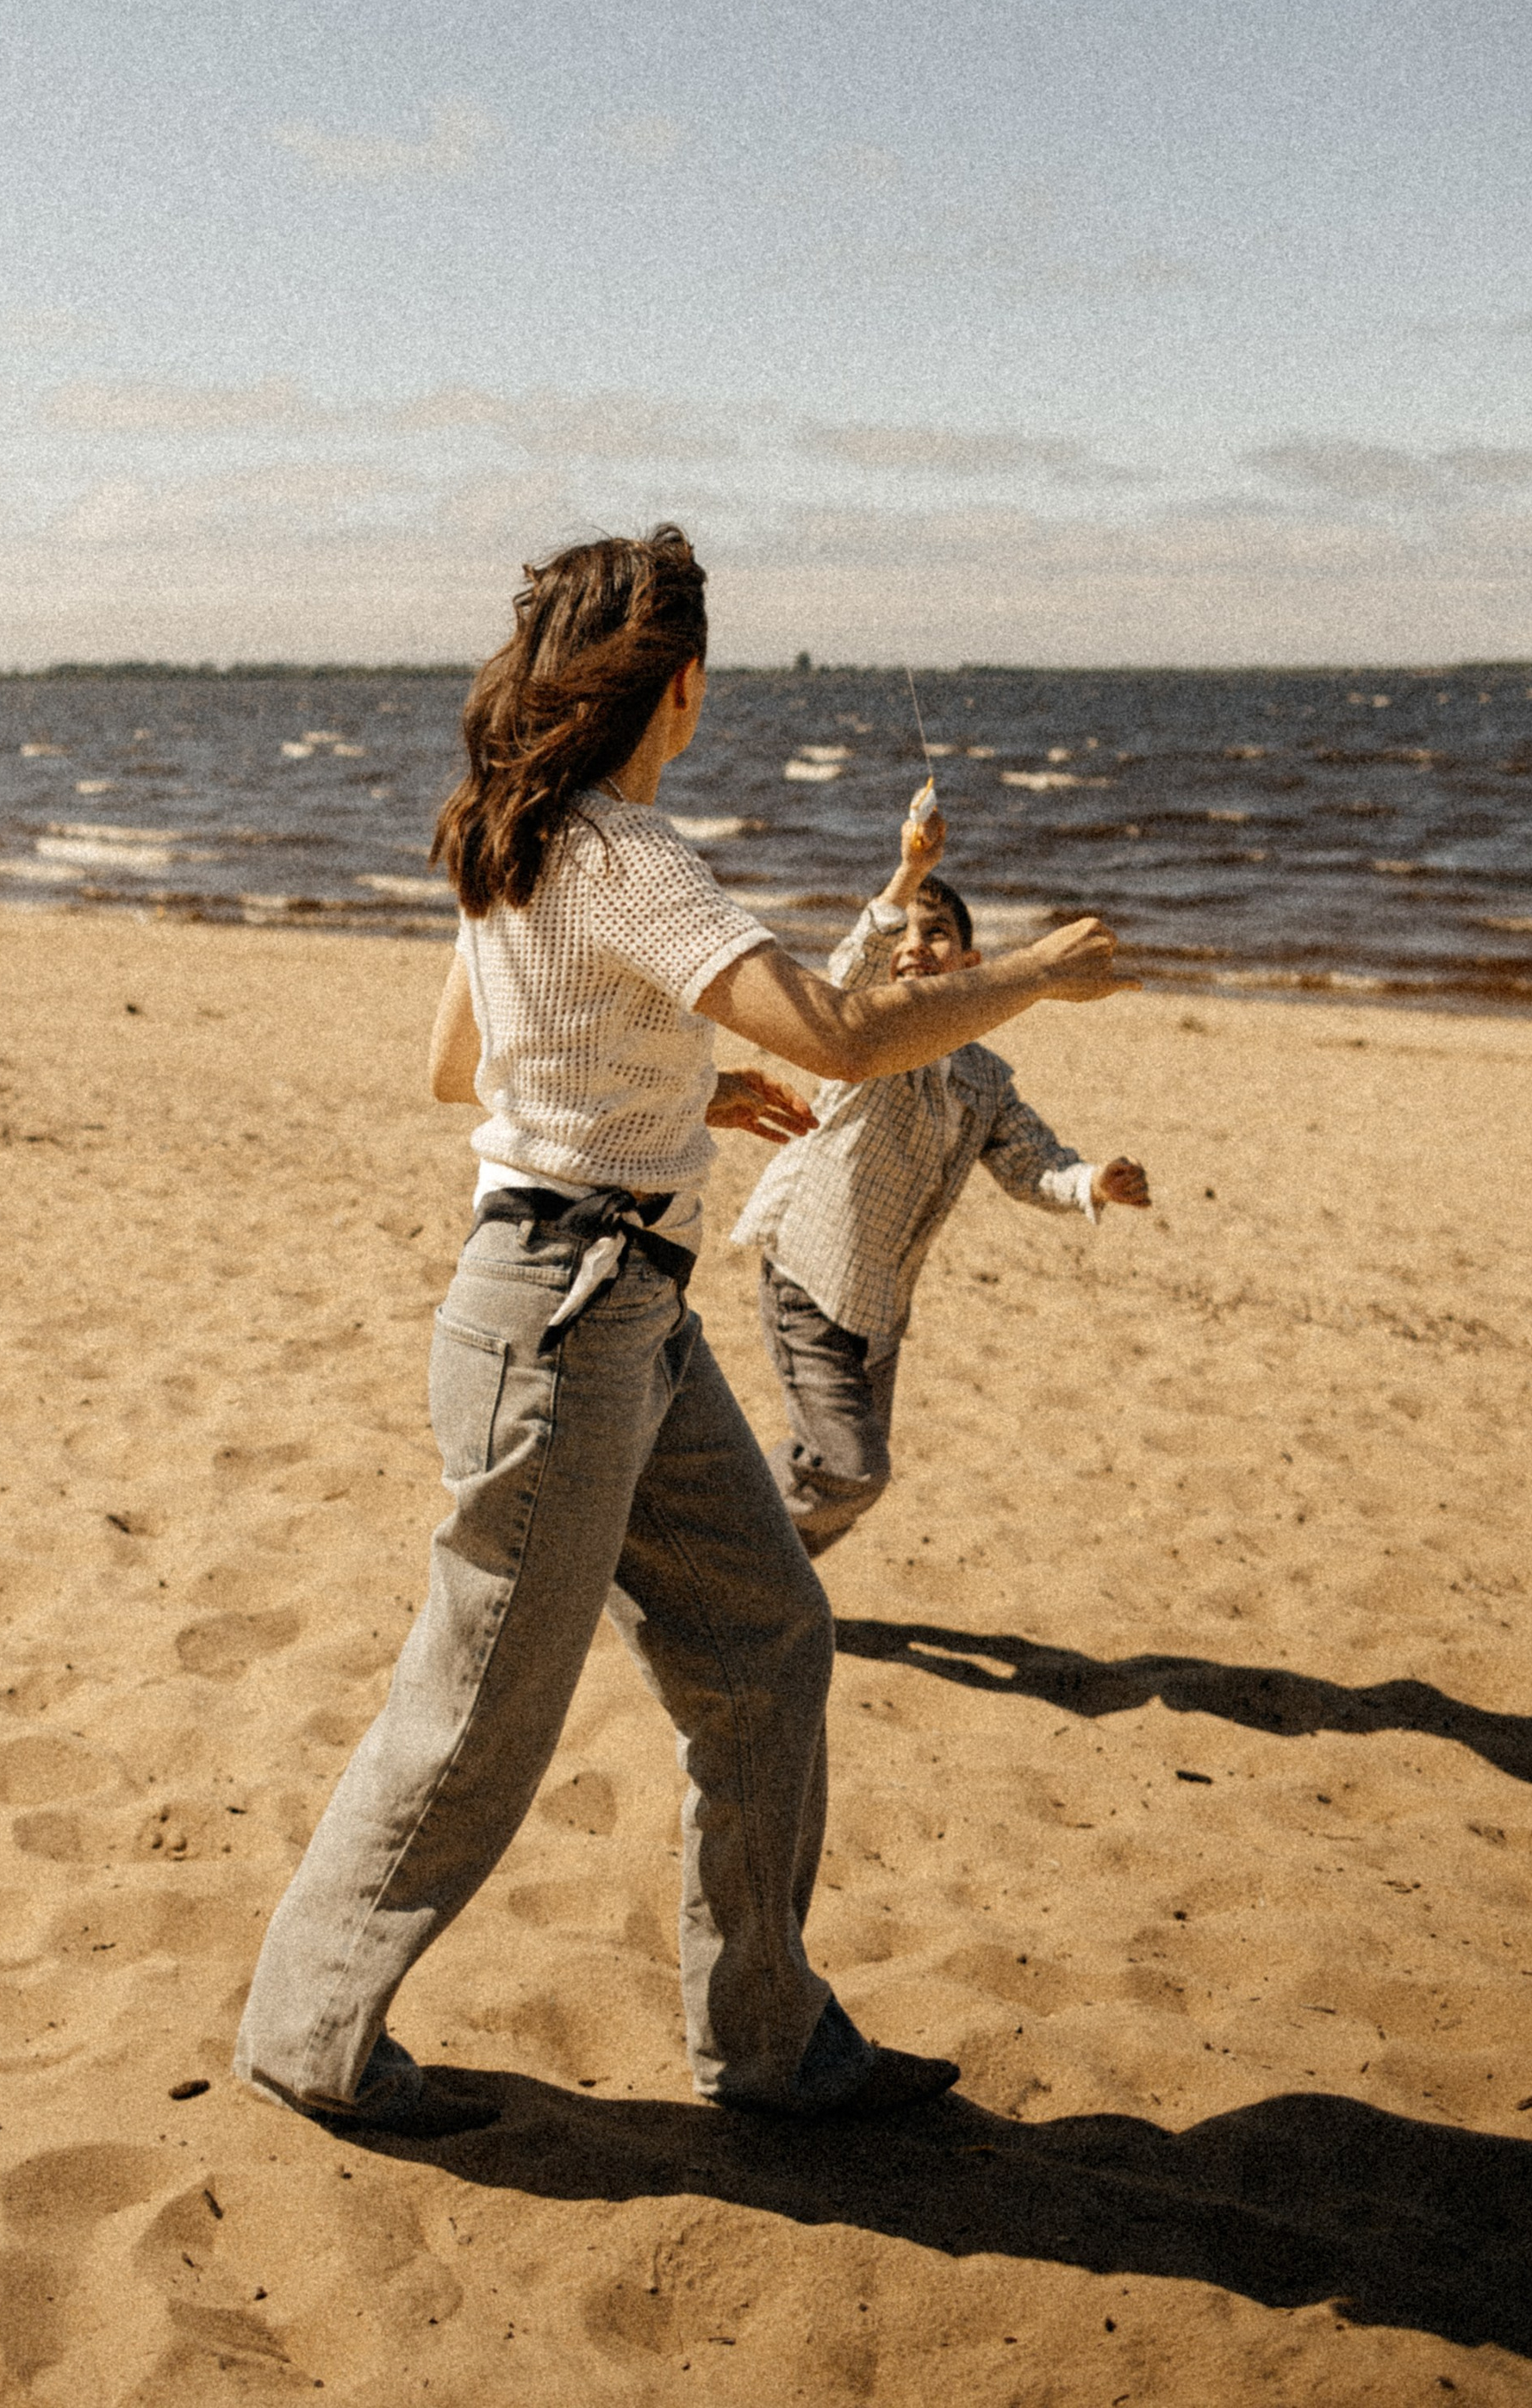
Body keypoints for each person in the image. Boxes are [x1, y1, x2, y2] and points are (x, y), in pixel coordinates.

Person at [233, 529, 1137, 2143]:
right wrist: (1031, 980)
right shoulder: (627, 857)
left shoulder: (524, 846)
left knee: (774, 1642)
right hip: (562, 1321)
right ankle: (308, 2033)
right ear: (685, 688)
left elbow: (472, 1066)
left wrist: (674, 1081)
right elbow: (852, 1033)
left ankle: (771, 2041)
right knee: (478, 1711)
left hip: (621, 1310)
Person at [734, 794, 1151, 1558]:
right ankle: (727, 1551)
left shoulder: (984, 1079)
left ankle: (766, 1581)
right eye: (908, 935)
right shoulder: (862, 1032)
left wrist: (1092, 1181)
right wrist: (909, 873)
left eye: (939, 935)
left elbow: (1033, 1164)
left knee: (848, 1481)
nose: (915, 946)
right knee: (852, 1470)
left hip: (882, 1308)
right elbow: (851, 965)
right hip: (807, 1283)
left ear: (971, 969)